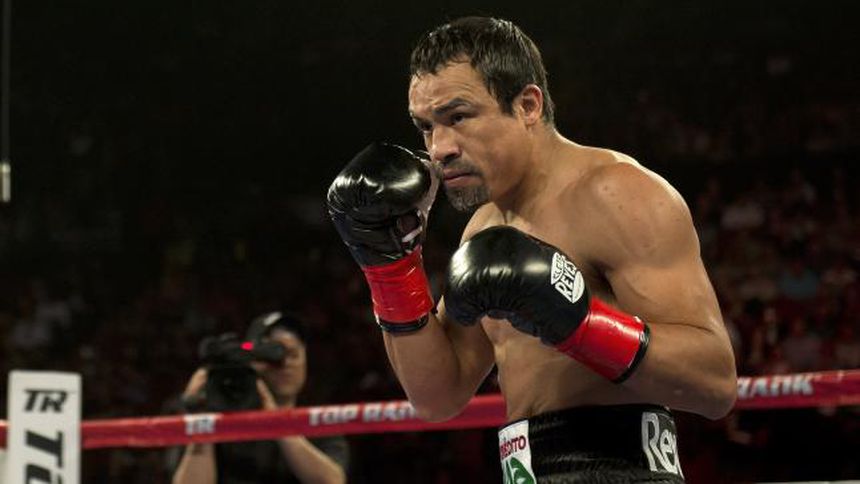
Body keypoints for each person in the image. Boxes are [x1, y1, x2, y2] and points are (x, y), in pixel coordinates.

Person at [327, 16, 737, 483]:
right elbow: (437, 397)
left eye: (458, 117)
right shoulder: (484, 228)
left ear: (527, 105)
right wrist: (390, 269)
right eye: (426, 126)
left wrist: (580, 324)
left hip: (625, 470)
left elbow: (715, 384)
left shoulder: (617, 194)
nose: (439, 149)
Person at [171, 312, 348, 484]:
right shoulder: (224, 421)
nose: (286, 364)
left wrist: (278, 423)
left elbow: (333, 481)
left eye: (294, 355)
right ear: (253, 361)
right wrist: (203, 422)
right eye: (273, 356)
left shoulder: (320, 422)